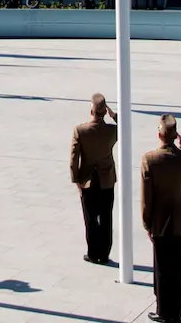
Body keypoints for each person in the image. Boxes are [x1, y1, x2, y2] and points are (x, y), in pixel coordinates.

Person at [141, 114, 181, 323]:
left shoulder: (150, 159)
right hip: (180, 219)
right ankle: (176, 311)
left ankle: (163, 311)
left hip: (159, 220)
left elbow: (146, 198)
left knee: (161, 267)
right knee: (178, 267)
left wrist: (146, 223)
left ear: (159, 134)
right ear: (176, 135)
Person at [70, 93, 119, 264]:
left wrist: (76, 179)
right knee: (106, 217)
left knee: (90, 218)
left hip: (88, 179)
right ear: (105, 111)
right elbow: (126, 128)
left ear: (91, 110)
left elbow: (74, 158)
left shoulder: (81, 130)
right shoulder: (112, 131)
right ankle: (104, 253)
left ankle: (93, 252)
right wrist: (115, 116)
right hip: (106, 179)